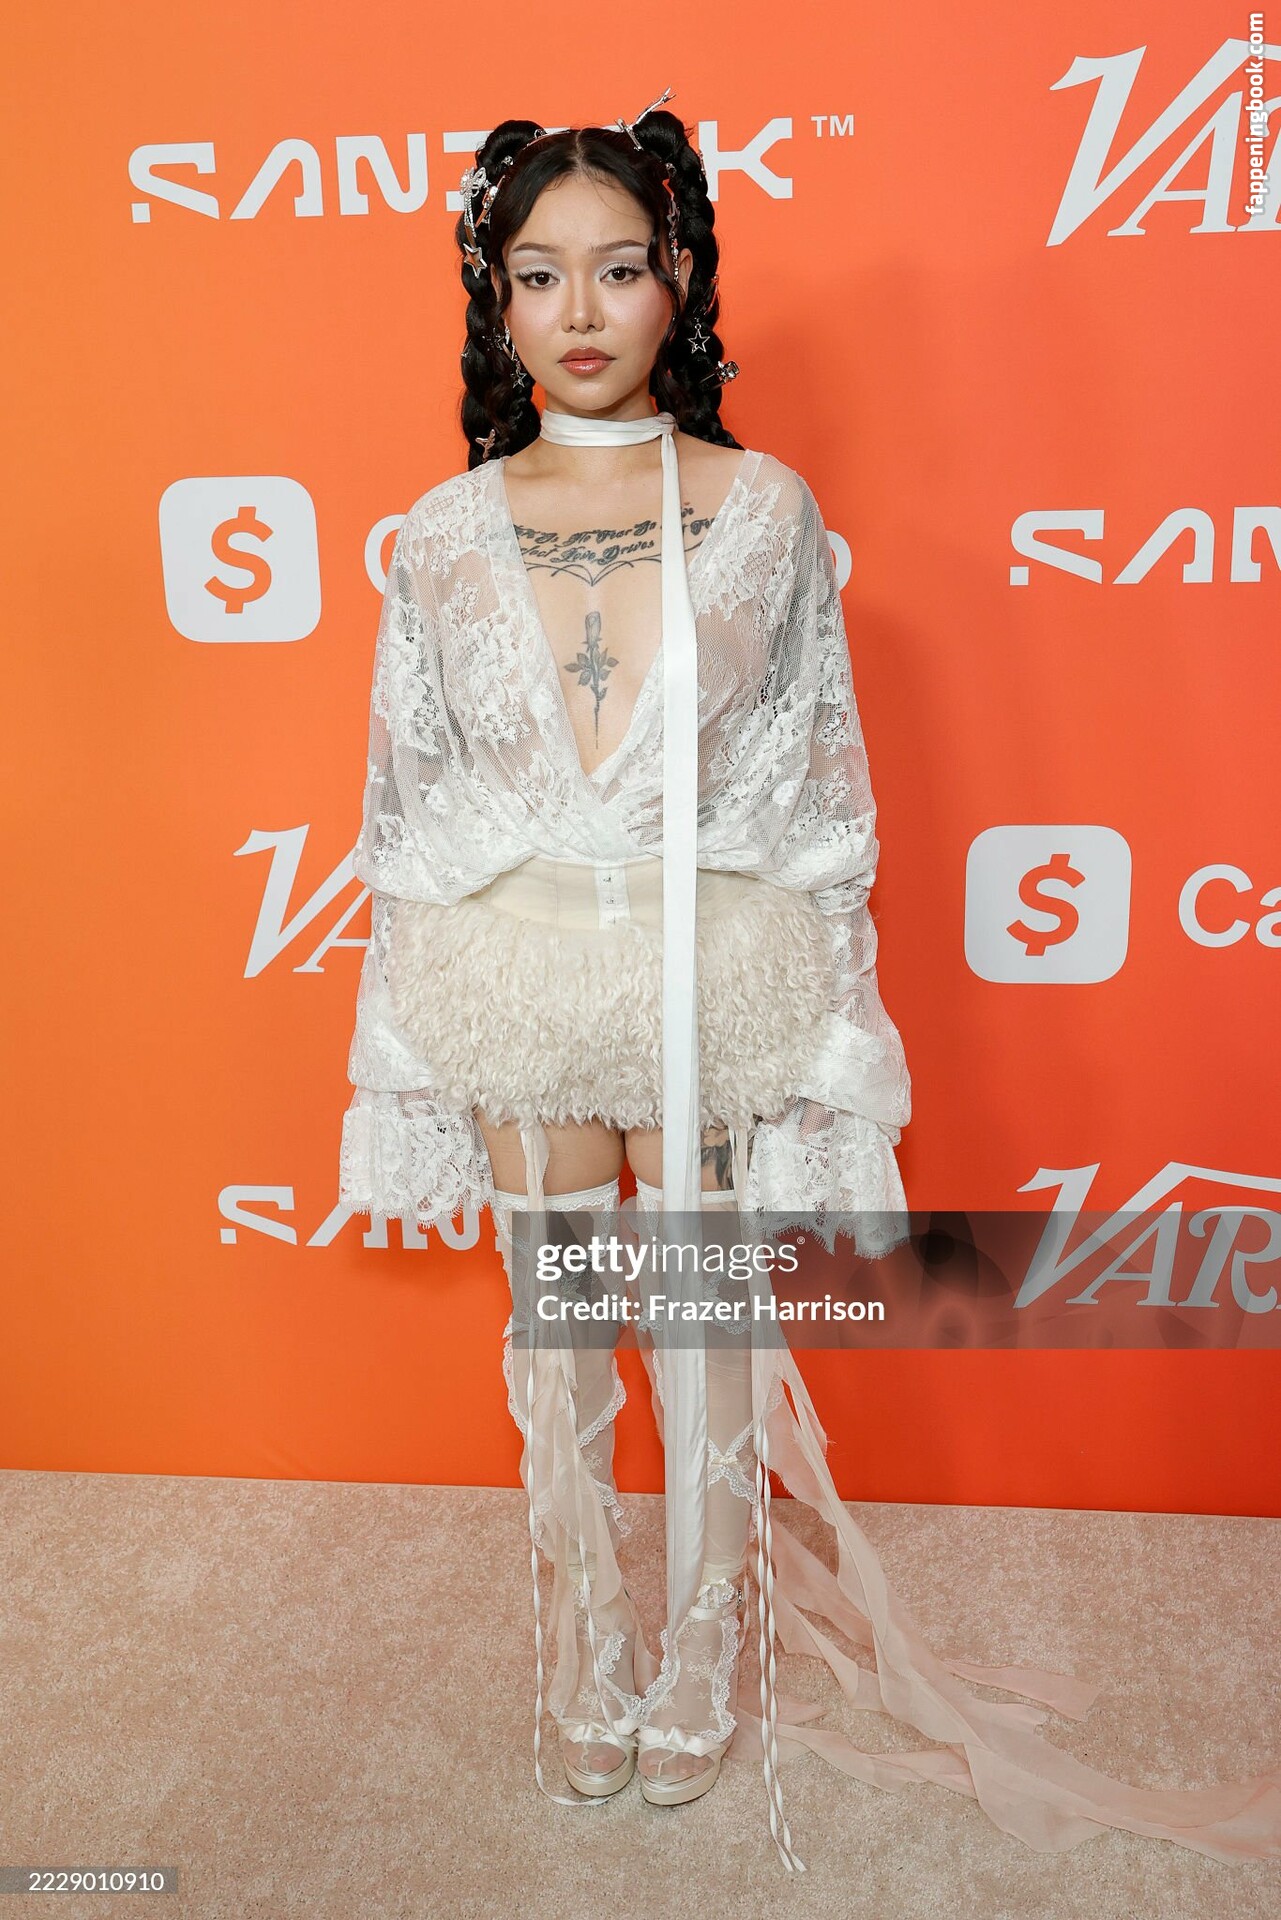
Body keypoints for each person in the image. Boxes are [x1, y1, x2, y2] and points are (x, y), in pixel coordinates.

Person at [339, 91, 1281, 1872]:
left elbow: (822, 794)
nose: (581, 311)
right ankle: (585, 1637)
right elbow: (408, 806)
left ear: (679, 279)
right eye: (538, 275)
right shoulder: (441, 532)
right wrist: (400, 1026)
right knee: (558, 1332)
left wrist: (836, 1020)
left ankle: (704, 1638)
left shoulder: (765, 507)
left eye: (619, 267)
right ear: (494, 298)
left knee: (701, 1333)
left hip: (710, 965)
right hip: (517, 971)